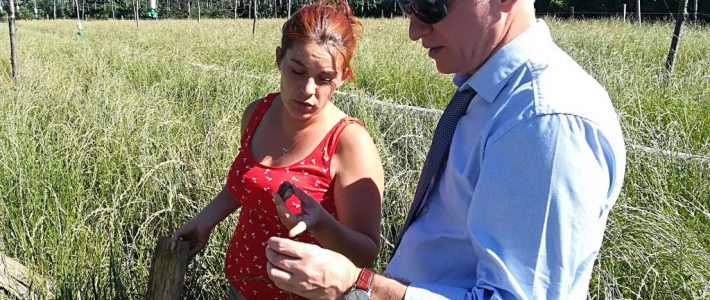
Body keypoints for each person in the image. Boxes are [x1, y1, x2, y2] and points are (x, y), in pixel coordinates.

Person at [264, 0, 627, 299]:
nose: (414, 30)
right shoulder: (491, 94)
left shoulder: (544, 121)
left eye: (430, 6)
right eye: (409, 7)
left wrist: (358, 285)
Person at [171, 1, 384, 299]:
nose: (308, 89)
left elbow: (365, 254)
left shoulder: (349, 143)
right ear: (279, 59)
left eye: (324, 78)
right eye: (298, 71)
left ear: (342, 77)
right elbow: (246, 184)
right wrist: (202, 222)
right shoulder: (257, 113)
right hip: (240, 288)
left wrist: (319, 223)